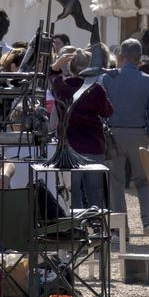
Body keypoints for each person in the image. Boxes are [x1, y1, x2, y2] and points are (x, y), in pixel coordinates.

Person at [101, 38, 149, 242]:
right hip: (138, 133)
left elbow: (101, 109)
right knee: (143, 181)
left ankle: (120, 229)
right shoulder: (148, 80)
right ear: (139, 57)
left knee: (116, 182)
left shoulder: (108, 78)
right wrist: (148, 133)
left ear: (120, 56)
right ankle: (148, 222)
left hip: (113, 134)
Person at [50, 47, 115, 208]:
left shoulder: (62, 87)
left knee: (74, 193)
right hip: (93, 145)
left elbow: (52, 74)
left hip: (69, 147)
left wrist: (58, 63)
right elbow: (108, 111)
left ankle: (77, 228)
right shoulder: (96, 89)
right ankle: (97, 227)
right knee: (95, 192)